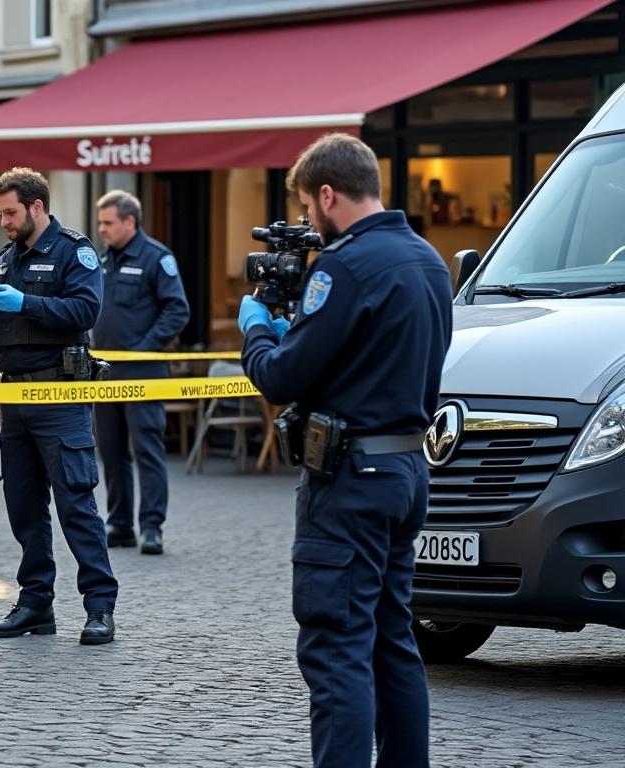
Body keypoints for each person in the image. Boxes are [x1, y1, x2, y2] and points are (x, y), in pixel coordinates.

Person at [238, 133, 452, 767]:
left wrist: (257, 332)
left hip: (351, 478)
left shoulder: (344, 266)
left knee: (337, 650)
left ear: (328, 194)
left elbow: (281, 378)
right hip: (407, 468)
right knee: (393, 642)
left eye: (307, 207)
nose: (306, 222)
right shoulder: (427, 259)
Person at [0, 167, 119, 646]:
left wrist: (24, 303)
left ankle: (99, 609)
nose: (4, 222)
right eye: (0, 214)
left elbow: (84, 312)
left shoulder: (76, 251)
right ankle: (35, 604)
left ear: (36, 206)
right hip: (14, 397)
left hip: (60, 396)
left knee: (76, 505)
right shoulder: (6, 258)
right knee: (24, 508)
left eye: (10, 213)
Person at [92, 190, 189, 555]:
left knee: (147, 449)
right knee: (112, 451)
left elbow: (177, 311)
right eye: (100, 222)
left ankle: (152, 527)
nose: (102, 229)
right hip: (105, 373)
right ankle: (119, 524)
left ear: (129, 222)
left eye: (108, 223)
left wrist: (144, 347)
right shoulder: (104, 261)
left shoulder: (157, 259)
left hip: (143, 372)